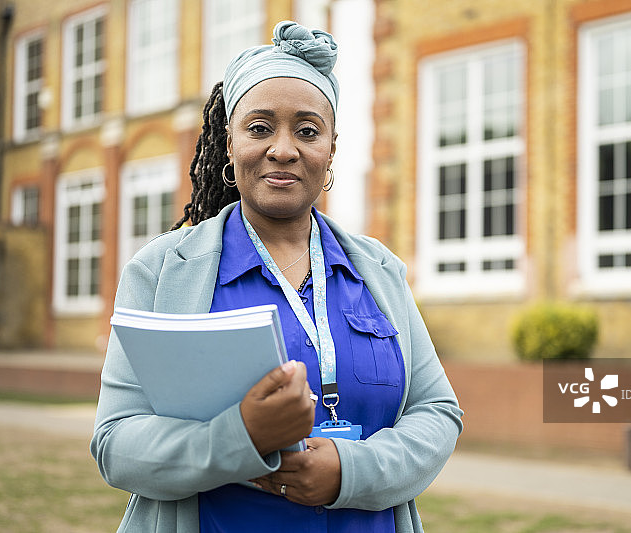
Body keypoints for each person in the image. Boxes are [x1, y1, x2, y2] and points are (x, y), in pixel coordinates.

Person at [91, 20, 462, 533]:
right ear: (229, 144)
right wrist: (241, 438)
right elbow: (116, 443)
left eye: (307, 131)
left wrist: (347, 472)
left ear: (331, 148)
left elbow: (437, 412)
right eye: (260, 127)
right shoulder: (159, 272)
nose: (283, 149)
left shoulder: (379, 271)